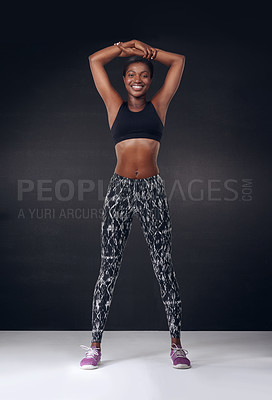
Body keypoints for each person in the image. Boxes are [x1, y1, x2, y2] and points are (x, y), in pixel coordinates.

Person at [79, 39, 191, 369]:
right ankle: (95, 345)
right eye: (131, 74)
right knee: (108, 268)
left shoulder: (160, 104)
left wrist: (147, 51)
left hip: (152, 190)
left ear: (150, 80)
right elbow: (94, 61)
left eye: (143, 74)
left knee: (164, 267)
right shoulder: (114, 105)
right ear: (124, 80)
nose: (137, 78)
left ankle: (177, 345)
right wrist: (123, 48)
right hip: (120, 190)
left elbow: (179, 61)